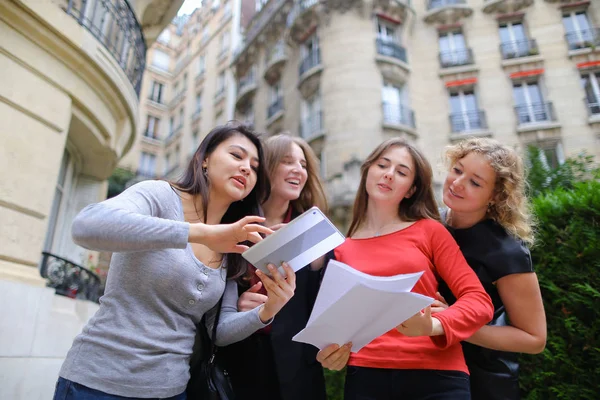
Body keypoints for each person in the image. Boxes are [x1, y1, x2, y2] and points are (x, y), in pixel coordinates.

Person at [53, 123, 297, 400]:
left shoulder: (232, 242)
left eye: (254, 167)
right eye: (236, 156)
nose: (246, 169)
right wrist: (201, 233)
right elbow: (86, 226)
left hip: (171, 390)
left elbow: (219, 330)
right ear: (203, 159)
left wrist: (267, 310)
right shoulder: (159, 195)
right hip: (99, 384)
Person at [315, 138, 494, 400]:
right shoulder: (342, 249)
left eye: (401, 172)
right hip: (365, 377)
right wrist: (331, 355)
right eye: (382, 165)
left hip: (437, 375)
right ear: (368, 171)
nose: (388, 174)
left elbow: (479, 302)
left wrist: (433, 325)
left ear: (411, 190)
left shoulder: (430, 231)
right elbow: (337, 325)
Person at [434, 137, 546, 400]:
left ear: (496, 196)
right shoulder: (430, 221)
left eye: (475, 182)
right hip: (424, 370)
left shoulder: (507, 250)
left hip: (483, 381)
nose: (458, 183)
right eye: (457, 170)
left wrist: (452, 323)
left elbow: (534, 338)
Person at [219, 133, 329, 400]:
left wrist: (319, 265)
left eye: (303, 165)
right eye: (288, 161)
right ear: (266, 168)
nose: (298, 171)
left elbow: (325, 306)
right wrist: (240, 307)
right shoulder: (232, 223)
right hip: (242, 365)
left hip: (298, 372)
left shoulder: (314, 231)